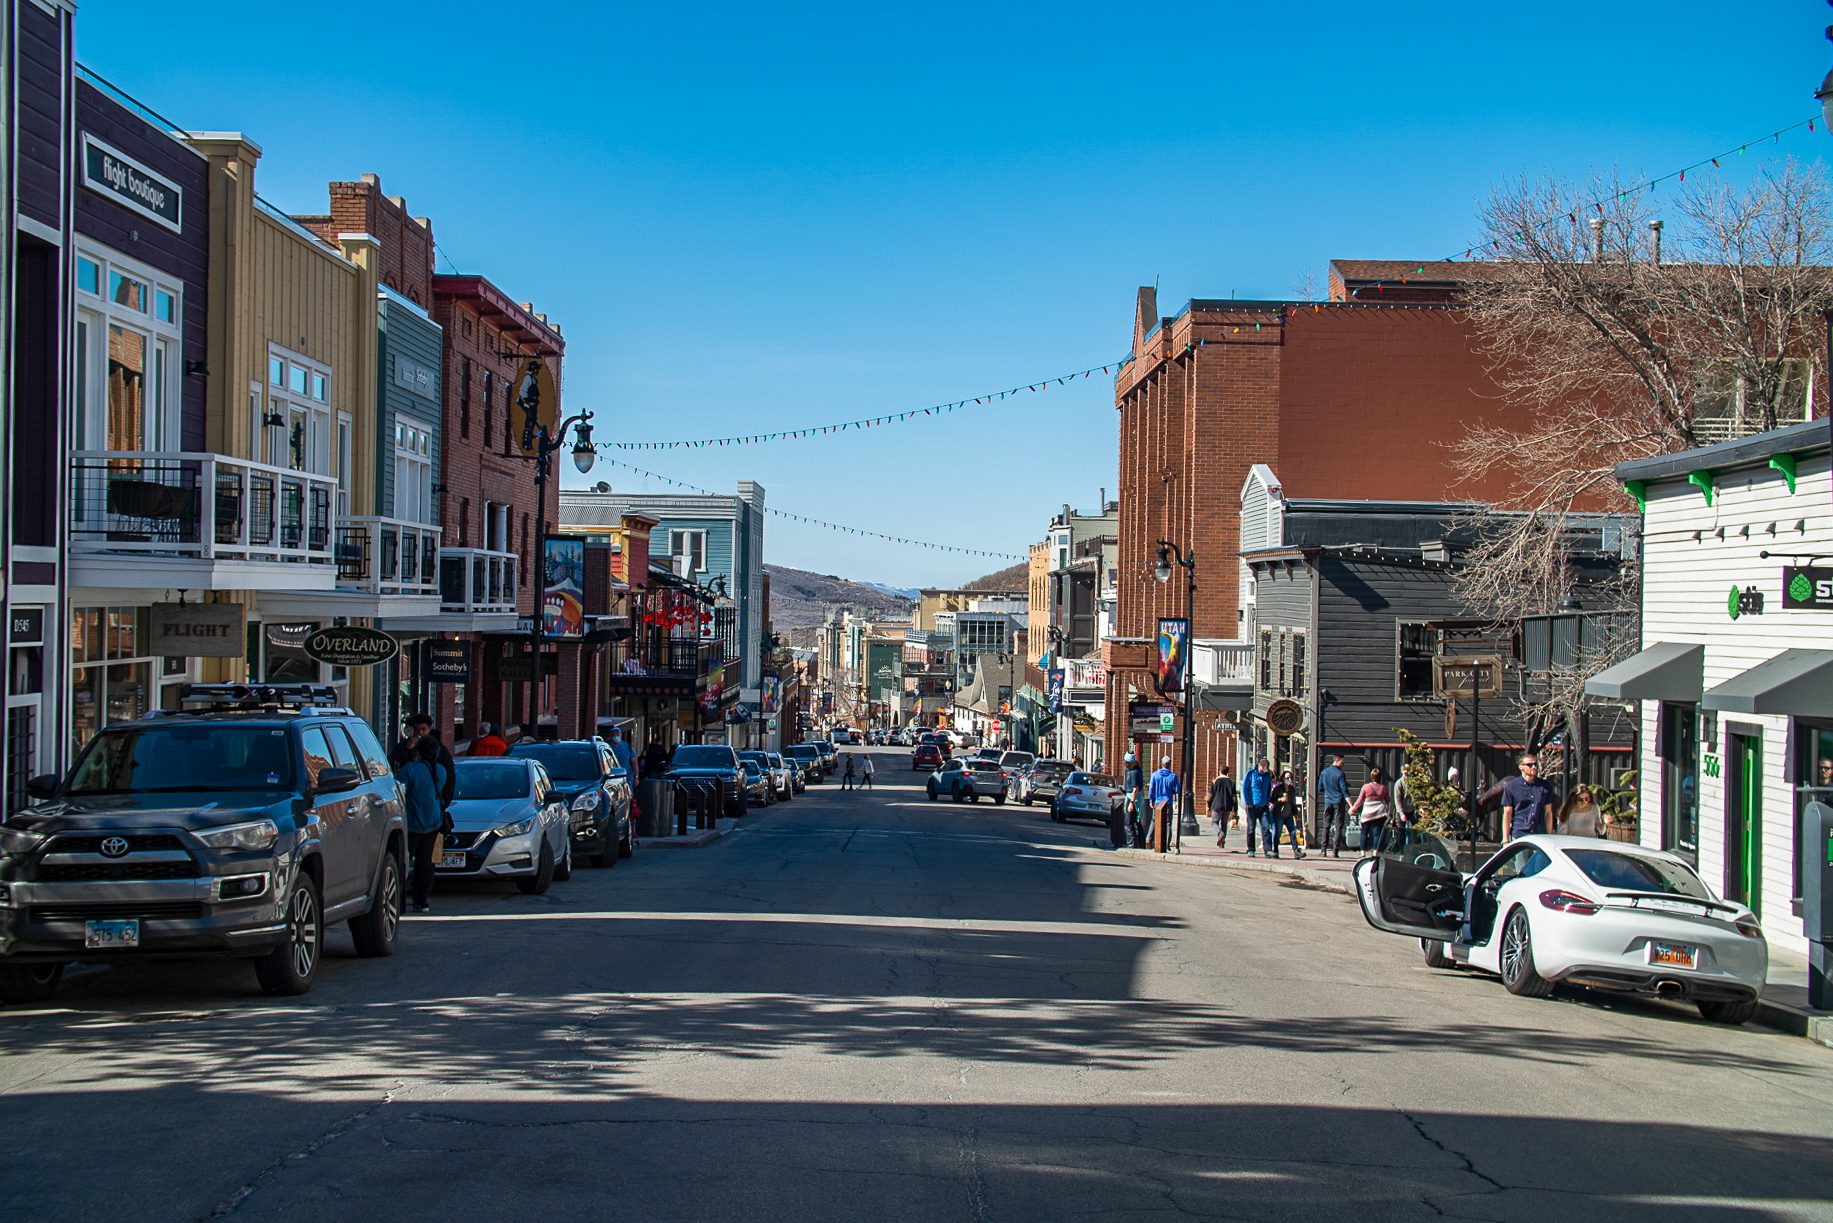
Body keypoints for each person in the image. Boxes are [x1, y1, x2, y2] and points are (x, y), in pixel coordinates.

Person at [394, 738, 449, 914]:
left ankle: (399, 900)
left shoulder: (410, 770)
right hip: (433, 821)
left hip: (412, 823)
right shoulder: (440, 771)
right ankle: (422, 901)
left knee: (402, 863)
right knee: (426, 864)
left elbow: (398, 792)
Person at [400, 713, 456, 813]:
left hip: (432, 806)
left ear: (429, 729)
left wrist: (442, 804)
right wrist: (407, 750)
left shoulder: (441, 751)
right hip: (410, 807)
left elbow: (450, 779)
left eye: (423, 729)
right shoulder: (404, 746)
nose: (420, 733)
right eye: (417, 729)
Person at [1499, 754, 1558, 841]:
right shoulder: (1511, 786)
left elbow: (1548, 812)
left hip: (1540, 834)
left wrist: (1549, 835)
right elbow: (1507, 814)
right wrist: (1505, 839)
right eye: (1530, 765)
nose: (1534, 767)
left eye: (1535, 764)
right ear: (1521, 767)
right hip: (1520, 834)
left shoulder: (1545, 786)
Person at [1348, 766, 1393, 857]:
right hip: (1379, 813)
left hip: (1367, 813)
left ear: (1371, 776)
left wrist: (1352, 809)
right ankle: (1375, 852)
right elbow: (1388, 800)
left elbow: (1359, 801)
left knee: (1364, 832)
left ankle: (1362, 853)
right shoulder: (1383, 788)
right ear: (1380, 777)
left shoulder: (1366, 787)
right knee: (1377, 833)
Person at [1267, 768, 1306, 859]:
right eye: (1287, 778)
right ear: (1283, 779)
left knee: (1293, 832)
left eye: (1291, 778)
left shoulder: (1292, 789)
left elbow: (1293, 802)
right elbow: (1272, 800)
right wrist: (1280, 799)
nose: (1289, 780)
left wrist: (1296, 814)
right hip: (1279, 815)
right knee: (1278, 833)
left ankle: (1296, 851)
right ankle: (1275, 850)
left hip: (1288, 815)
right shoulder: (1278, 789)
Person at [1318, 755, 1350, 858]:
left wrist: (1329, 791)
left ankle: (1323, 850)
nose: (1343, 763)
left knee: (1326, 824)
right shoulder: (1340, 774)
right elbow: (1344, 790)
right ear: (1337, 761)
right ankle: (1335, 851)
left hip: (1328, 801)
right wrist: (1351, 804)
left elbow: (1320, 788)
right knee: (1338, 826)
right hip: (1339, 801)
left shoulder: (1324, 772)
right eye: (1342, 761)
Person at [1240, 758, 1273, 857]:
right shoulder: (1251, 774)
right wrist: (1248, 802)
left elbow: (1268, 788)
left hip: (1263, 806)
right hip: (1252, 806)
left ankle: (1268, 850)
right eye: (1263, 768)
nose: (1264, 770)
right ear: (1259, 766)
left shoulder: (1267, 776)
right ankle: (1250, 849)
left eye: (1266, 769)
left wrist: (1268, 799)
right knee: (1251, 828)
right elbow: (1245, 788)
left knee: (1266, 828)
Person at [1147, 756, 1180, 852]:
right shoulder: (1173, 776)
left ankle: (1148, 838)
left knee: (1154, 820)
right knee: (1168, 823)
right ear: (1170, 764)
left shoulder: (1155, 775)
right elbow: (1177, 790)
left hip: (1157, 802)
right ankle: (1166, 844)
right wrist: (1175, 799)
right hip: (1168, 802)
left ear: (1161, 763)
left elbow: (1151, 789)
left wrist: (1151, 801)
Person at [1207, 765, 1239, 848]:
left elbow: (1210, 795)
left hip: (1216, 805)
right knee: (1224, 824)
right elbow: (1234, 797)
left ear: (1219, 771)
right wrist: (1235, 808)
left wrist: (1209, 805)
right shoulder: (1231, 782)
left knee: (1214, 822)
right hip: (1227, 805)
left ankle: (1220, 833)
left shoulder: (1215, 781)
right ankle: (1222, 842)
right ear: (1227, 772)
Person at [1123, 752, 1145, 847]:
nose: (1124, 763)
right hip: (1136, 798)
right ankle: (1141, 843)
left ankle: (1131, 844)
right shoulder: (1138, 770)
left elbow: (1135, 789)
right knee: (1137, 822)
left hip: (1133, 799)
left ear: (1129, 762)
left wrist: (1131, 802)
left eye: (1126, 762)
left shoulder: (1133, 773)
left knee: (1128, 822)